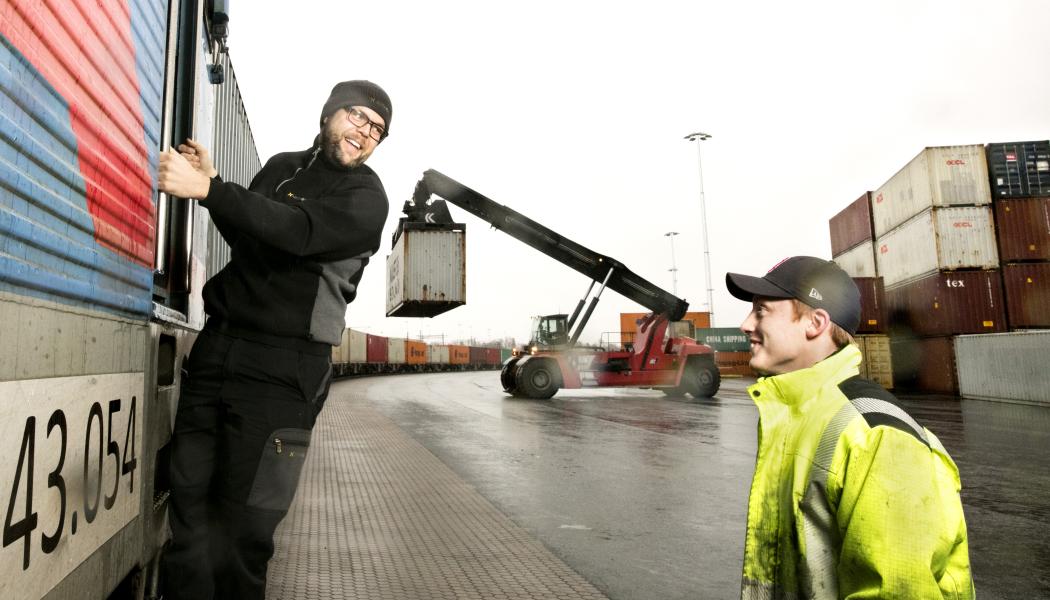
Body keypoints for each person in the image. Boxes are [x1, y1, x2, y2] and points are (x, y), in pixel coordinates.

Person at [156, 80, 392, 599]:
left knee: (245, 533)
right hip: (219, 349)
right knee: (189, 515)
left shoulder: (367, 198)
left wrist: (211, 191)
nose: (365, 133)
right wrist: (212, 182)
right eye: (357, 117)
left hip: (284, 372)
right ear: (330, 113)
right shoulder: (284, 167)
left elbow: (296, 231)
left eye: (377, 130)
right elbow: (250, 232)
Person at [725, 256, 974, 599]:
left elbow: (896, 591)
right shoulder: (797, 415)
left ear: (815, 323)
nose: (745, 325)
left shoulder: (876, 435)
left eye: (762, 311)